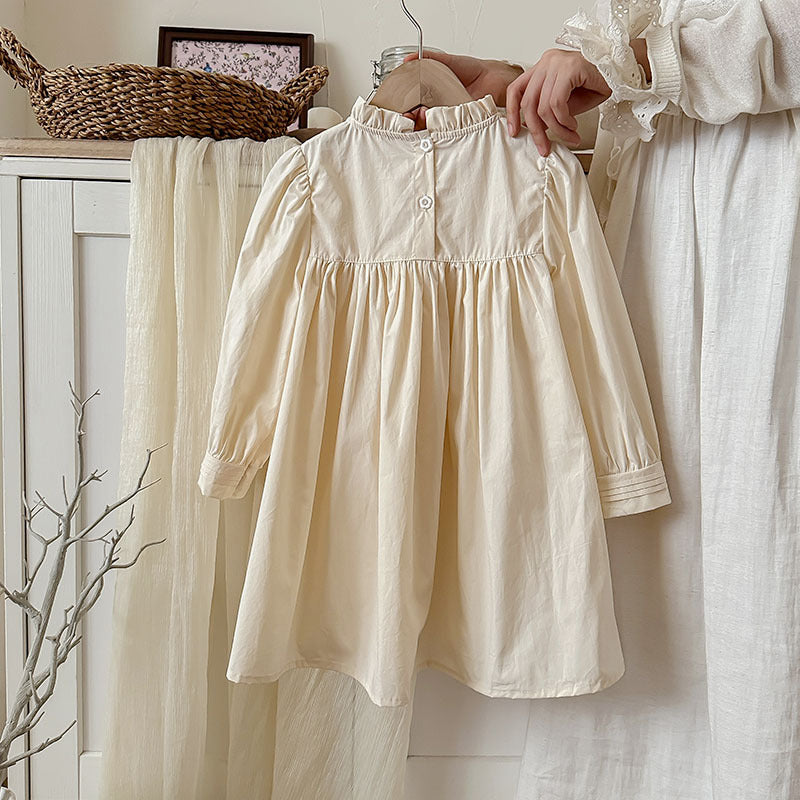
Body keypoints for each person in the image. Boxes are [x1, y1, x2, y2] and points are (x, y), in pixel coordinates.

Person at [404, 2, 800, 798]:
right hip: (665, 211)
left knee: (763, 518)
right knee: (661, 533)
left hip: (770, 207)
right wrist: (529, 88)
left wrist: (635, 63)